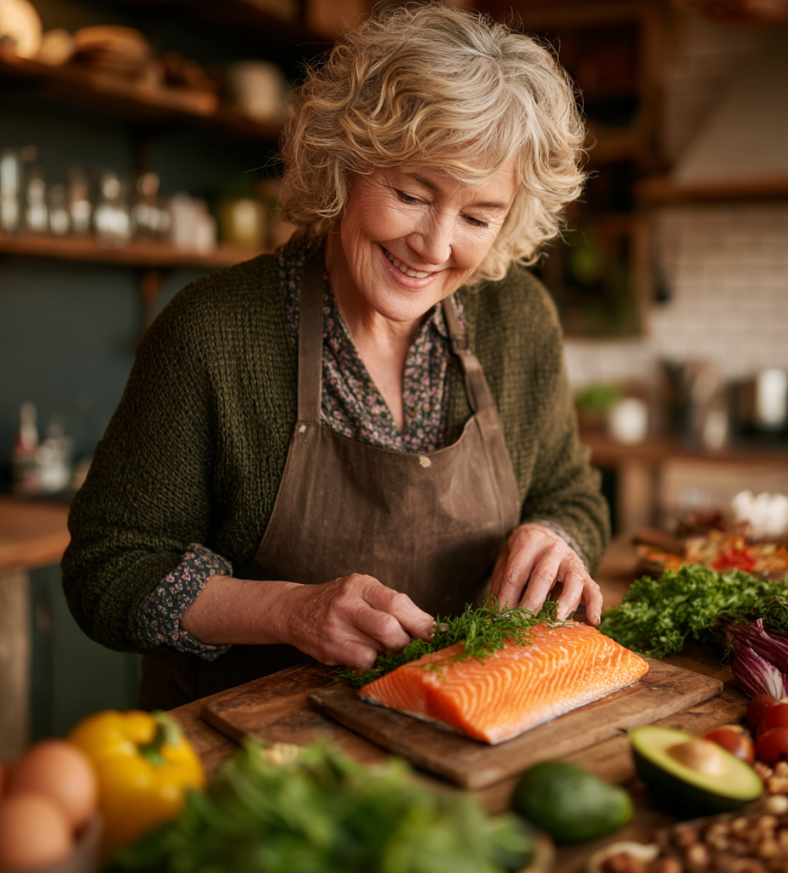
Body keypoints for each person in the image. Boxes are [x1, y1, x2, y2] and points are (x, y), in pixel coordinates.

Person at [62, 3, 610, 710]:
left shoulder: (518, 319)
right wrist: (290, 611)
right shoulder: (213, 331)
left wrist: (553, 536)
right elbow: (106, 570)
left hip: (458, 735)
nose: (436, 245)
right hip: (252, 762)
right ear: (344, 162)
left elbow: (572, 494)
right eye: (411, 194)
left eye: (477, 216)